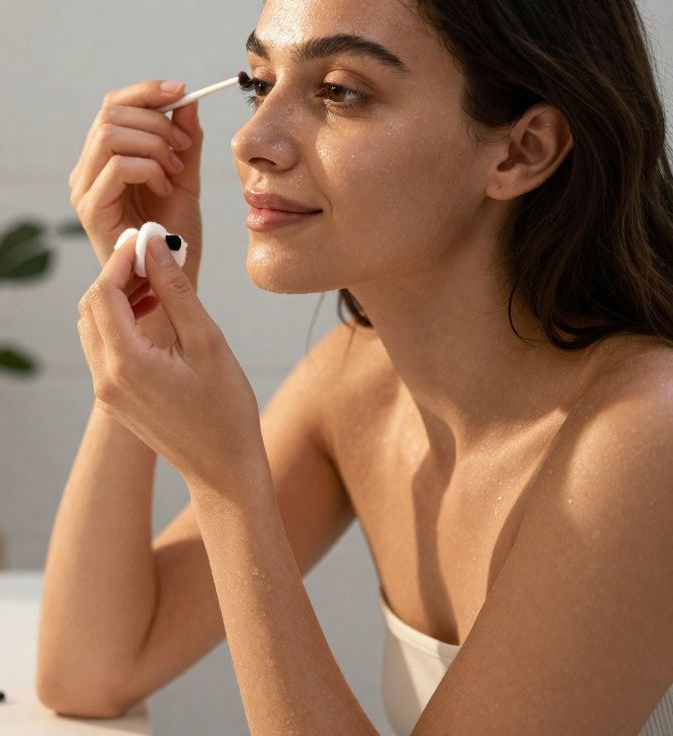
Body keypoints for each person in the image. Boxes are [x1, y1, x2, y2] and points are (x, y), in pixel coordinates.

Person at [39, 0, 673, 732]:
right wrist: (145, 308)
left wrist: (227, 487)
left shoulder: (644, 434)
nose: (252, 140)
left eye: (340, 92)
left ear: (522, 151)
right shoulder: (361, 384)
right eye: (257, 82)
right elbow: (90, 671)